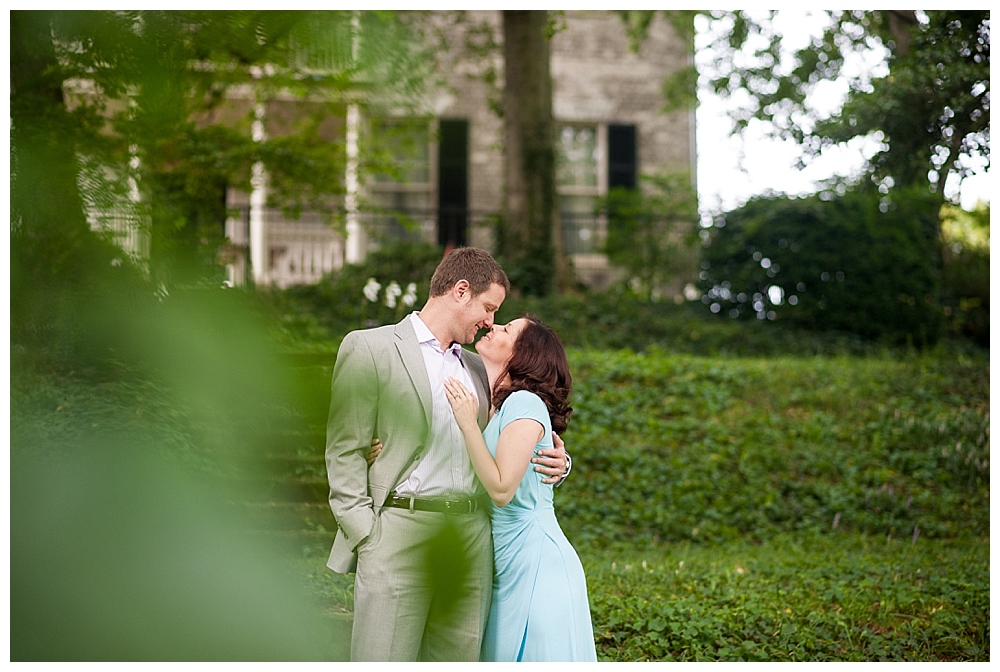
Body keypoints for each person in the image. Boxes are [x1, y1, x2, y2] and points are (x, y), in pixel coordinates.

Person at [324, 247, 569, 662]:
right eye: (489, 308)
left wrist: (560, 462)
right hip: (396, 530)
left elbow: (517, 430)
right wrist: (367, 534)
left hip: (470, 539)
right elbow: (344, 449)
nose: (490, 322)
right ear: (460, 291)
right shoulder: (371, 348)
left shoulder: (479, 368)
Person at [443, 314, 597, 662]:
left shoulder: (524, 404)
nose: (492, 326)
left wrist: (468, 424)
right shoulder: (500, 405)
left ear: (521, 354)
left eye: (506, 329)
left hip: (539, 567)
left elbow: (501, 489)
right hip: (507, 567)